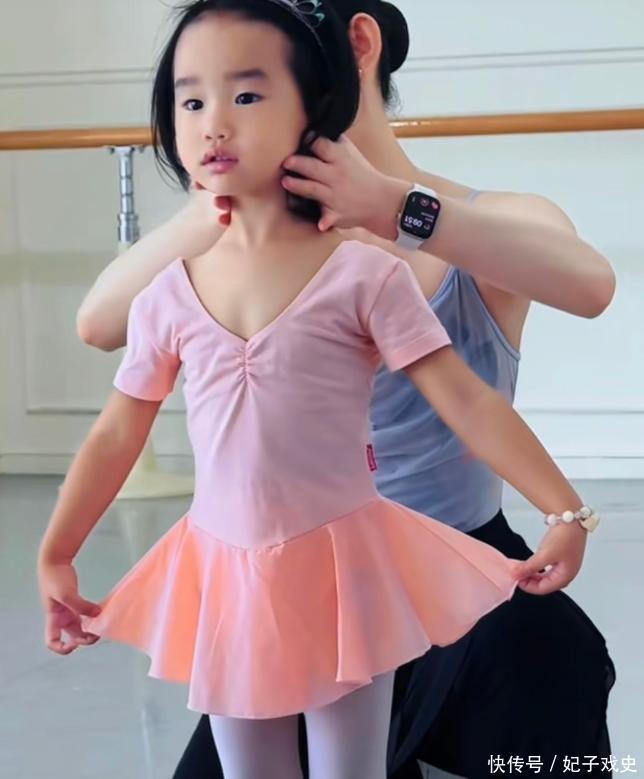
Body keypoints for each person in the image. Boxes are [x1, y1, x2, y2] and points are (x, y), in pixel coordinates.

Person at [72, 2, 617, 778]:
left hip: (460, 570)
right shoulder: (228, 249)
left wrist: (397, 208)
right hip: (296, 586)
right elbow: (99, 322)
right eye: (203, 92)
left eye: (251, 81)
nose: (222, 112)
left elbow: (590, 285)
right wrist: (224, 202)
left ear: (357, 44)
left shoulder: (481, 219)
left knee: (546, 665)